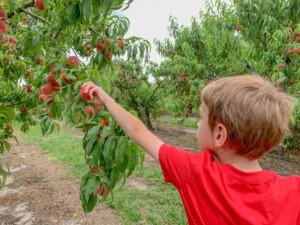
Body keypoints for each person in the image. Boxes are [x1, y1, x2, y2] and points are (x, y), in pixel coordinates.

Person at [82, 74, 300, 225]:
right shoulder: (294, 191)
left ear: (219, 135)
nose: (197, 123)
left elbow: (138, 131)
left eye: (201, 117)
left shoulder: (197, 173)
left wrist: (105, 98)